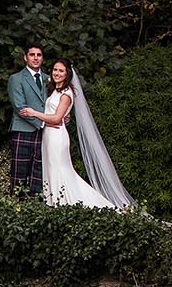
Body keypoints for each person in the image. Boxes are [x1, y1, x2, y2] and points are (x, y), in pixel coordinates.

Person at [25, 58, 116, 209]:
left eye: (61, 71)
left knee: (60, 170)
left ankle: (69, 204)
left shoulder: (66, 93)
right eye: (55, 70)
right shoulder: (54, 89)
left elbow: (56, 118)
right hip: (48, 136)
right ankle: (53, 203)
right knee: (50, 170)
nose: (57, 73)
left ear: (67, 74)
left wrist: (34, 113)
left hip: (57, 137)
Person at [7, 46, 50, 199]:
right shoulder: (16, 78)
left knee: (39, 171)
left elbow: (54, 104)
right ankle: (16, 208)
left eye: (39, 55)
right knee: (19, 172)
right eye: (32, 55)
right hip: (23, 130)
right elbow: (20, 107)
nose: (36, 58)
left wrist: (62, 117)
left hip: (45, 133)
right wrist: (44, 123)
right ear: (25, 57)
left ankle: (35, 208)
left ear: (42, 58)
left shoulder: (48, 79)